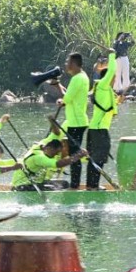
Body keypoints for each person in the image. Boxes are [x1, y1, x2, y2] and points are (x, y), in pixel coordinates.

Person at [56, 53, 90, 189]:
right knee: (74, 154)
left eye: (67, 62)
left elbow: (67, 98)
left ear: (74, 63)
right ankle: (75, 184)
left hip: (76, 122)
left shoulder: (77, 78)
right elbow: (70, 97)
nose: (66, 64)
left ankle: (75, 186)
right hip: (78, 121)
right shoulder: (83, 76)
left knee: (74, 156)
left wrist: (60, 99)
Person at [87, 49, 118, 189]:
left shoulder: (103, 88)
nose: (115, 79)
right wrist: (112, 54)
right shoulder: (104, 85)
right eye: (114, 77)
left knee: (95, 158)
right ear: (109, 78)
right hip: (99, 130)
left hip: (96, 129)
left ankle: (92, 185)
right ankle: (93, 186)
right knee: (97, 159)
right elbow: (111, 70)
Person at [12, 137, 87, 191]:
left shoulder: (40, 147)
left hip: (36, 182)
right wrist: (78, 155)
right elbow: (58, 164)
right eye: (56, 153)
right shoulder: (39, 157)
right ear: (50, 148)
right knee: (53, 188)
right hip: (23, 186)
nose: (55, 155)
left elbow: (41, 143)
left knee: (64, 184)